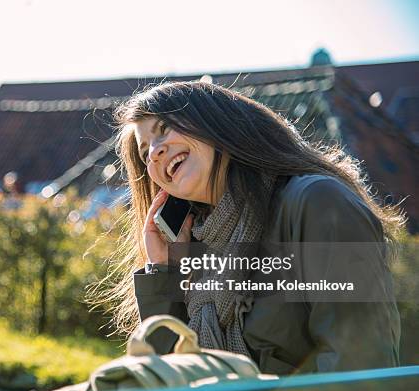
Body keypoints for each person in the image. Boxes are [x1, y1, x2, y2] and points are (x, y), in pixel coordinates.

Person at [89, 80, 404, 375]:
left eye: (165, 128)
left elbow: (360, 369)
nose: (155, 151)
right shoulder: (196, 252)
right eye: (146, 154)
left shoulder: (317, 202)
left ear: (213, 122)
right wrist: (164, 272)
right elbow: (173, 384)